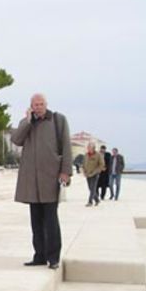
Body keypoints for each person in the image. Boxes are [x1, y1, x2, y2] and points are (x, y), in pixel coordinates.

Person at [11, 93, 71, 270]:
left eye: (41, 104)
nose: (38, 107)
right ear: (31, 107)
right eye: (35, 105)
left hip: (50, 177)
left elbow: (66, 146)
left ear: (46, 104)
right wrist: (27, 121)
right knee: (36, 221)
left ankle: (53, 257)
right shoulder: (27, 122)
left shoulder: (58, 120)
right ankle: (39, 255)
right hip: (32, 180)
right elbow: (16, 140)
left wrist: (65, 171)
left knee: (51, 220)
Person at [82, 143, 105, 207]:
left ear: (93, 148)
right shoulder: (86, 155)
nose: (88, 149)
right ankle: (97, 200)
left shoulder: (98, 155)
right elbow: (84, 164)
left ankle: (90, 202)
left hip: (95, 174)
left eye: (89, 147)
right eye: (88, 147)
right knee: (90, 188)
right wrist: (84, 171)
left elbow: (101, 164)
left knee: (93, 188)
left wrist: (96, 171)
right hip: (88, 174)